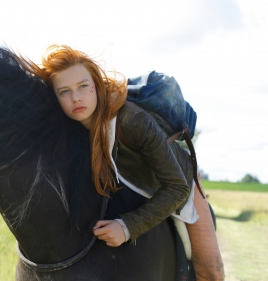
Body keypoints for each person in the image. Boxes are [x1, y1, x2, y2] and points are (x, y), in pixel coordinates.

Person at [21, 45, 224, 281]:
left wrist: (127, 227)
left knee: (212, 270)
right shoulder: (66, 127)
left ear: (96, 85)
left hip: (176, 181)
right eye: (64, 91)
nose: (76, 97)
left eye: (83, 86)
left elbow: (176, 187)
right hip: (130, 184)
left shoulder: (132, 120)